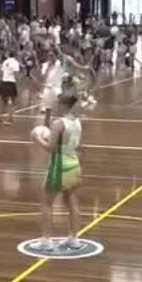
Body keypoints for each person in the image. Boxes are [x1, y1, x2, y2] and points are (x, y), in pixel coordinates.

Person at [35, 92, 84, 252]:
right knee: (71, 201)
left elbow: (51, 147)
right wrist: (47, 118)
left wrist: (36, 139)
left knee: (47, 203)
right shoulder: (76, 122)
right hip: (74, 164)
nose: (55, 105)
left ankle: (45, 240)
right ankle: (73, 238)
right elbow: (62, 138)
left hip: (59, 166)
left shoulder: (59, 123)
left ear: (63, 105)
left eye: (57, 103)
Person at [0, 48, 21, 125]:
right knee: (11, 101)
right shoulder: (16, 63)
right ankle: (9, 119)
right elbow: (16, 74)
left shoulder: (5, 61)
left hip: (3, 82)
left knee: (2, 100)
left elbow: (2, 72)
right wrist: (19, 81)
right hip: (11, 82)